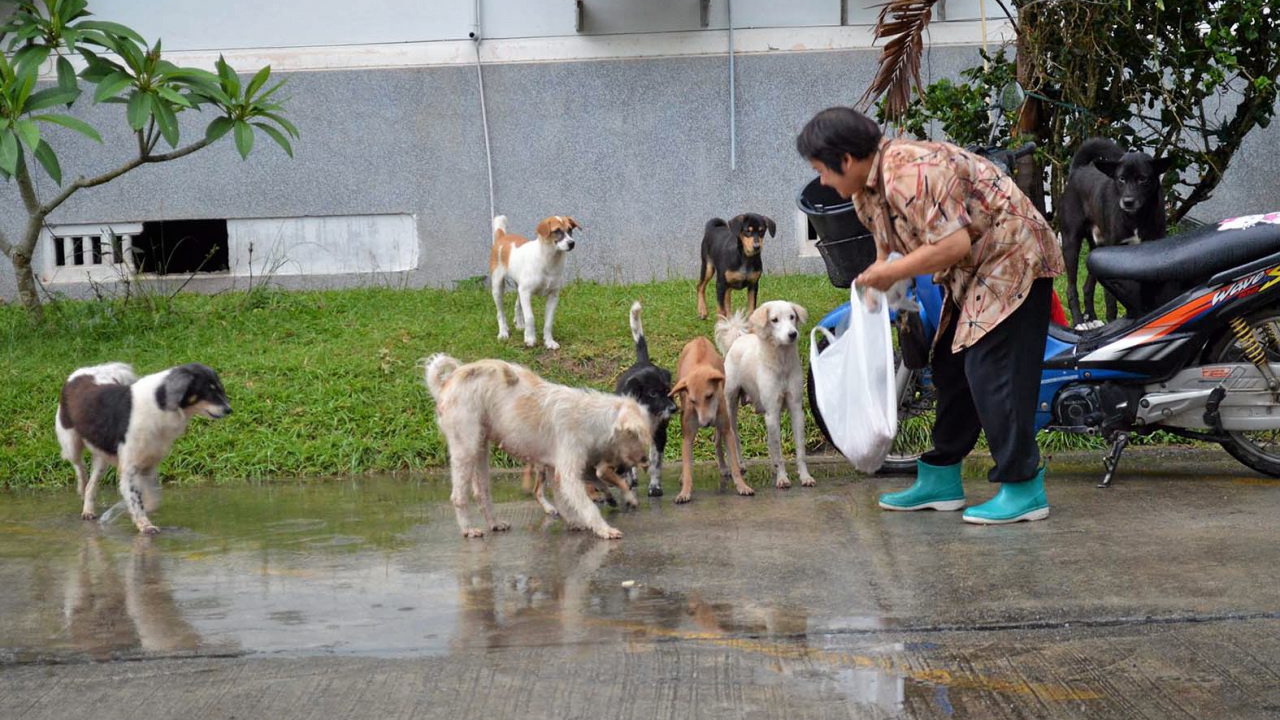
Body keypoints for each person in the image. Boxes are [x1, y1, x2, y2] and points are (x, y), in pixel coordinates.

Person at [796, 107, 1065, 524]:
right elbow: (888, 244)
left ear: (845, 160)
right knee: (950, 366)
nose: (824, 181)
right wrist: (880, 283)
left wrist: (892, 271)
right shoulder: (866, 189)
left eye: (823, 170)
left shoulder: (910, 172)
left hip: (1012, 254)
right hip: (972, 269)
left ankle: (1024, 487)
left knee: (990, 368)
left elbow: (953, 244)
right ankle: (940, 479)